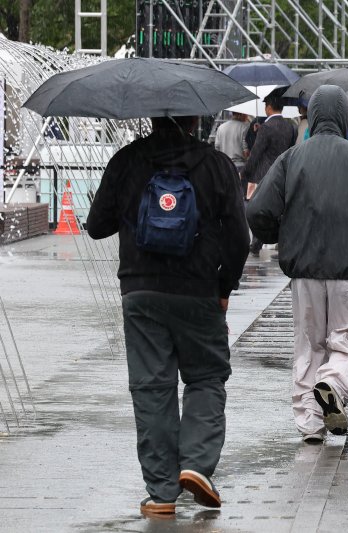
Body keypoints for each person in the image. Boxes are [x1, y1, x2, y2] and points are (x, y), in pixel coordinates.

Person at [86, 116, 249, 515]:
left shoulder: (127, 160)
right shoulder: (216, 165)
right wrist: (224, 288)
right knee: (207, 376)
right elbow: (239, 238)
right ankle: (195, 465)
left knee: (151, 387)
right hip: (198, 291)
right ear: (195, 119)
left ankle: (161, 493)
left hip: (140, 291)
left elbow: (95, 226)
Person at [246, 86, 348, 443]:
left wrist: (282, 237)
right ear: (345, 117)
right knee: (345, 344)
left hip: (304, 270)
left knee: (308, 345)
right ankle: (331, 383)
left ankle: (309, 423)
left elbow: (257, 210)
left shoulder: (291, 158)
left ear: (313, 116)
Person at [241, 90, 296, 255]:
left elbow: (256, 153)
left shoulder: (266, 127)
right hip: (282, 171)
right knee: (279, 207)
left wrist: (245, 172)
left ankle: (256, 242)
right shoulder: (290, 127)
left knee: (258, 208)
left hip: (263, 173)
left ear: (269, 107)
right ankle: (280, 241)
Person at [214, 112, 251, 196]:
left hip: (224, 166)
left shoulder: (221, 127)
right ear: (241, 114)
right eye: (246, 114)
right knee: (239, 196)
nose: (247, 116)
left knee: (226, 196)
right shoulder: (245, 127)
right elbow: (245, 151)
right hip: (240, 167)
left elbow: (217, 148)